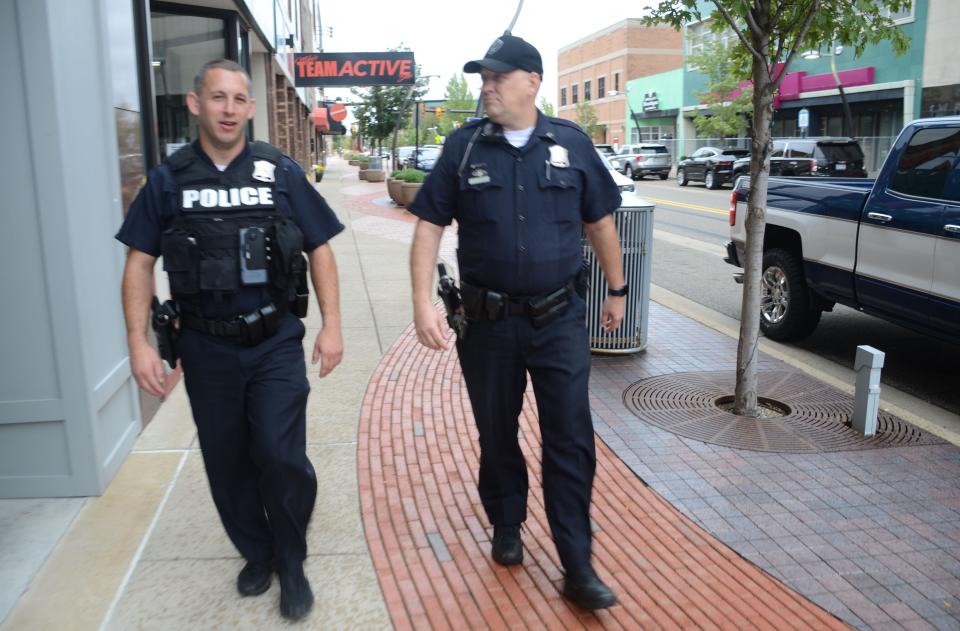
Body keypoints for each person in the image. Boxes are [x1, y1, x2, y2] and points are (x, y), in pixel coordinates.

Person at [117, 59, 344, 621]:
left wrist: (333, 327)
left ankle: (291, 560)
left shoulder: (280, 172)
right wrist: (139, 343)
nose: (228, 109)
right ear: (196, 103)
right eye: (217, 97)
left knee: (279, 453)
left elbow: (321, 248)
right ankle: (257, 551)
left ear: (250, 107)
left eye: (239, 99)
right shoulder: (168, 180)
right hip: (205, 345)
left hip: (273, 340)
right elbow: (139, 262)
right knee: (228, 460)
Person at [408, 34, 627, 610]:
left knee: (569, 439)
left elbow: (600, 220)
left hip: (558, 320)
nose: (487, 88)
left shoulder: (572, 145)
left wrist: (618, 290)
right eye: (483, 78)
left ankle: (576, 563)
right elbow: (428, 225)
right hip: (488, 324)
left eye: (497, 78)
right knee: (497, 432)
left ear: (531, 82)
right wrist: (419, 303)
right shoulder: (463, 148)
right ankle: (507, 522)